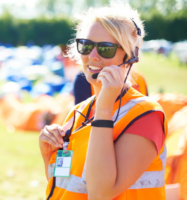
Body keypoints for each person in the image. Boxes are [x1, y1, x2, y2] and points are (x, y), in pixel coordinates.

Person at [39, 2, 168, 200]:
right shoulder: (78, 112)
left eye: (105, 49)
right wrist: (48, 154)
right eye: (86, 45)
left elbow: (100, 194)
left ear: (129, 56)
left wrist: (105, 108)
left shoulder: (146, 115)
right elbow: (64, 186)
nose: (92, 56)